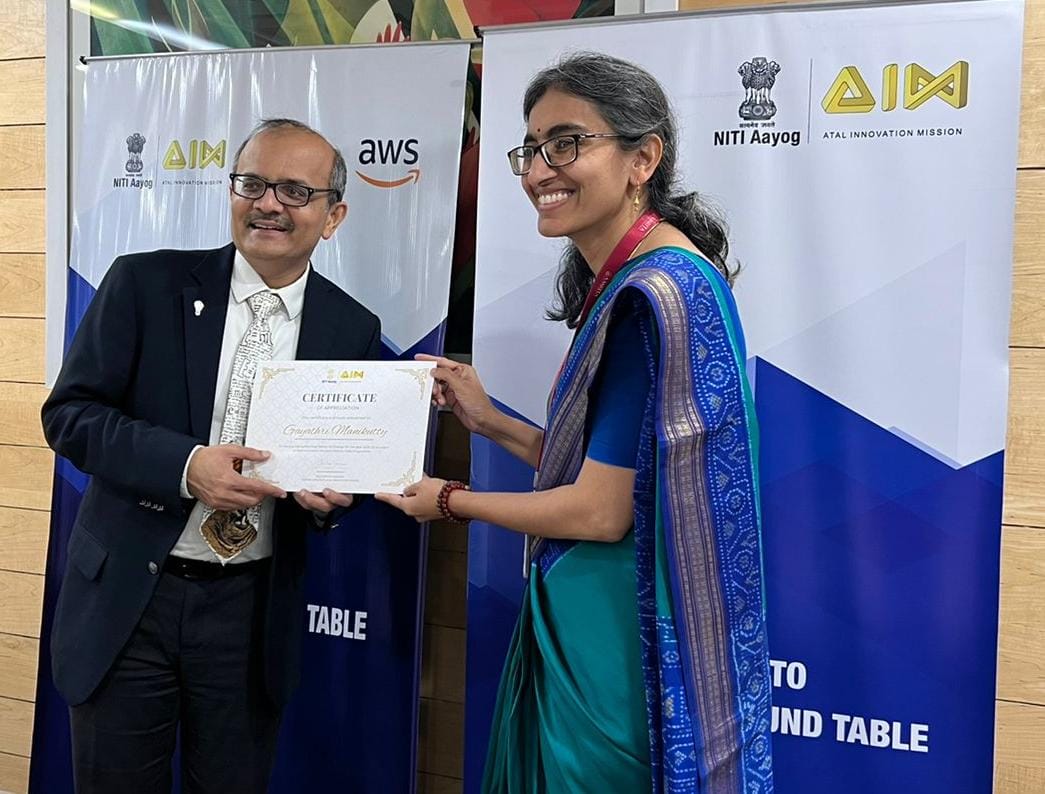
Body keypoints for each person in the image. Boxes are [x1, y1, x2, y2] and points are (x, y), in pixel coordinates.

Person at [377, 54, 772, 792]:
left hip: (613, 633)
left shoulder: (651, 294)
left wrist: (449, 500)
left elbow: (598, 511)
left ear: (642, 159)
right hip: (613, 612)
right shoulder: (651, 277)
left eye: (566, 144)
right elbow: (623, 471)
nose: (538, 171)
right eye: (531, 148)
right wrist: (491, 423)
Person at [42, 118, 381, 794]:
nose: (268, 204)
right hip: (130, 601)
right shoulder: (143, 283)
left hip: (249, 616)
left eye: (295, 190)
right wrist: (186, 465)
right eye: (252, 183)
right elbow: (71, 416)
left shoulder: (352, 327)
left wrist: (332, 499)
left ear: (333, 216)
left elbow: (345, 468)